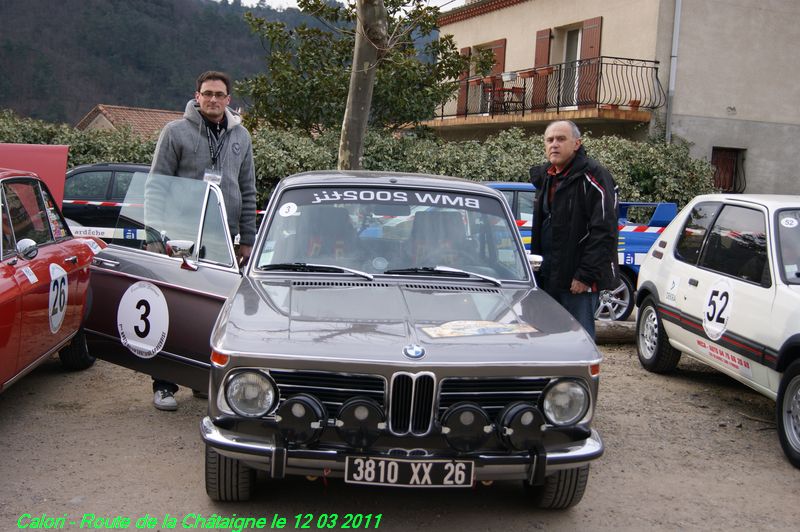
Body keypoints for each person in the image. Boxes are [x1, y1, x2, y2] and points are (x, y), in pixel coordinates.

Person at [147, 70, 257, 411]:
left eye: (219, 94)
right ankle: (164, 384)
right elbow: (156, 185)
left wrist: (247, 240)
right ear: (197, 96)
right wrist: (154, 236)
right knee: (173, 309)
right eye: (206, 93)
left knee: (212, 312)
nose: (212, 99)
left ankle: (198, 380)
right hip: (180, 237)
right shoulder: (175, 132)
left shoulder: (242, 137)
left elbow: (249, 190)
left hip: (223, 238)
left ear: (228, 99)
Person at [529, 120, 619, 340]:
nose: (554, 145)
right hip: (549, 276)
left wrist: (585, 276)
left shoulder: (595, 176)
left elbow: (605, 230)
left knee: (578, 340)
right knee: (548, 338)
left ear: (577, 143)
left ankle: (581, 376)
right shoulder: (547, 177)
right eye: (549, 140)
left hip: (579, 282)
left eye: (561, 139)